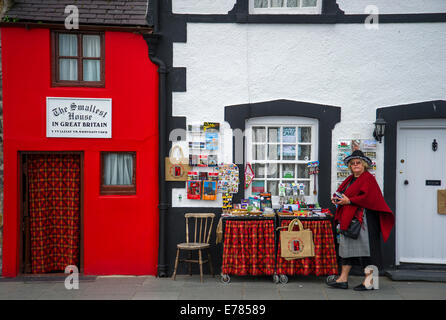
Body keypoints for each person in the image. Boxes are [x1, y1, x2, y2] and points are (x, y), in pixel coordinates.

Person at [326, 150, 395, 291]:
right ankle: (342, 280)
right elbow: (343, 193)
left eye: (358, 163)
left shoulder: (368, 178)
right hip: (350, 219)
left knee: (368, 251)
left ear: (364, 165)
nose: (355, 165)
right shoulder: (350, 179)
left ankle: (370, 282)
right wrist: (338, 198)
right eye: (353, 163)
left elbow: (369, 198)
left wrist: (349, 200)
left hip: (365, 221)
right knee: (346, 249)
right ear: (350, 166)